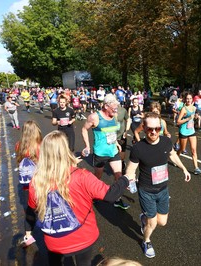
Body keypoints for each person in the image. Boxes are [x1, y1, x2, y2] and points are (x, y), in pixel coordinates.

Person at [27, 131, 133, 265]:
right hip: (83, 237)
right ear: (65, 150)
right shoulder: (82, 176)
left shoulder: (36, 181)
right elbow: (110, 195)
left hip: (55, 241)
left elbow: (33, 209)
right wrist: (125, 179)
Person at [124, 112, 191, 258]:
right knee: (152, 224)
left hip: (163, 189)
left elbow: (172, 155)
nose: (154, 132)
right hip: (146, 190)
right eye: (150, 129)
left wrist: (184, 168)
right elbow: (131, 169)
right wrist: (129, 180)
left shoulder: (166, 142)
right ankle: (146, 241)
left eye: (157, 128)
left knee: (162, 222)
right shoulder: (138, 148)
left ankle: (144, 218)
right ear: (144, 127)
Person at [82, 94, 129, 209]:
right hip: (100, 153)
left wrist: (116, 143)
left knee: (118, 174)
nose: (116, 110)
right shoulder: (95, 117)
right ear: (106, 106)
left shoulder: (115, 116)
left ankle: (117, 199)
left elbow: (112, 132)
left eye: (117, 108)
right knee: (98, 177)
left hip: (113, 151)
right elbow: (84, 129)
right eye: (114, 108)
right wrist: (87, 146)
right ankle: (91, 194)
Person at [16, 121, 42, 247]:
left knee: (30, 211)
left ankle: (28, 236)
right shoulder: (40, 146)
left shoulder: (19, 146)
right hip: (41, 184)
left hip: (27, 187)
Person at [177, 92, 201, 174]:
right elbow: (178, 122)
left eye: (190, 98)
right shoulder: (184, 109)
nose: (188, 100)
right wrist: (188, 118)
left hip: (191, 131)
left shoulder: (194, 108)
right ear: (185, 99)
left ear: (192, 99)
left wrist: (196, 117)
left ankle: (196, 168)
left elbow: (194, 119)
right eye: (187, 98)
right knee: (182, 149)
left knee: (194, 150)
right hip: (184, 132)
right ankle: (176, 157)